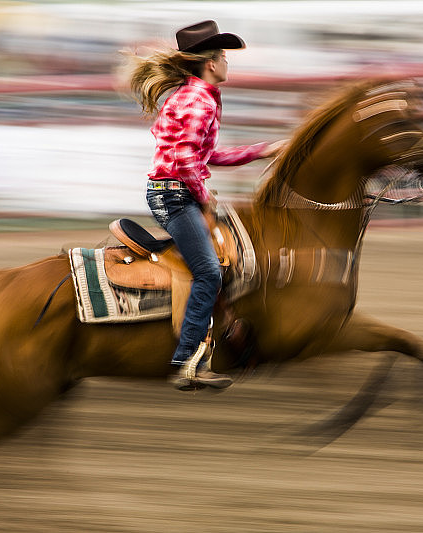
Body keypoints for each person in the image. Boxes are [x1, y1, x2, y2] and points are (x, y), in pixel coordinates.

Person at [126, 20, 284, 390]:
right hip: (174, 195)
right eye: (225, 56)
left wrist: (262, 151)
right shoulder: (198, 100)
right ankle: (187, 360)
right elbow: (185, 160)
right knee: (209, 271)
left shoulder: (196, 96)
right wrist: (203, 196)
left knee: (220, 261)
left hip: (174, 191)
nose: (228, 62)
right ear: (211, 63)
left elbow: (208, 155)